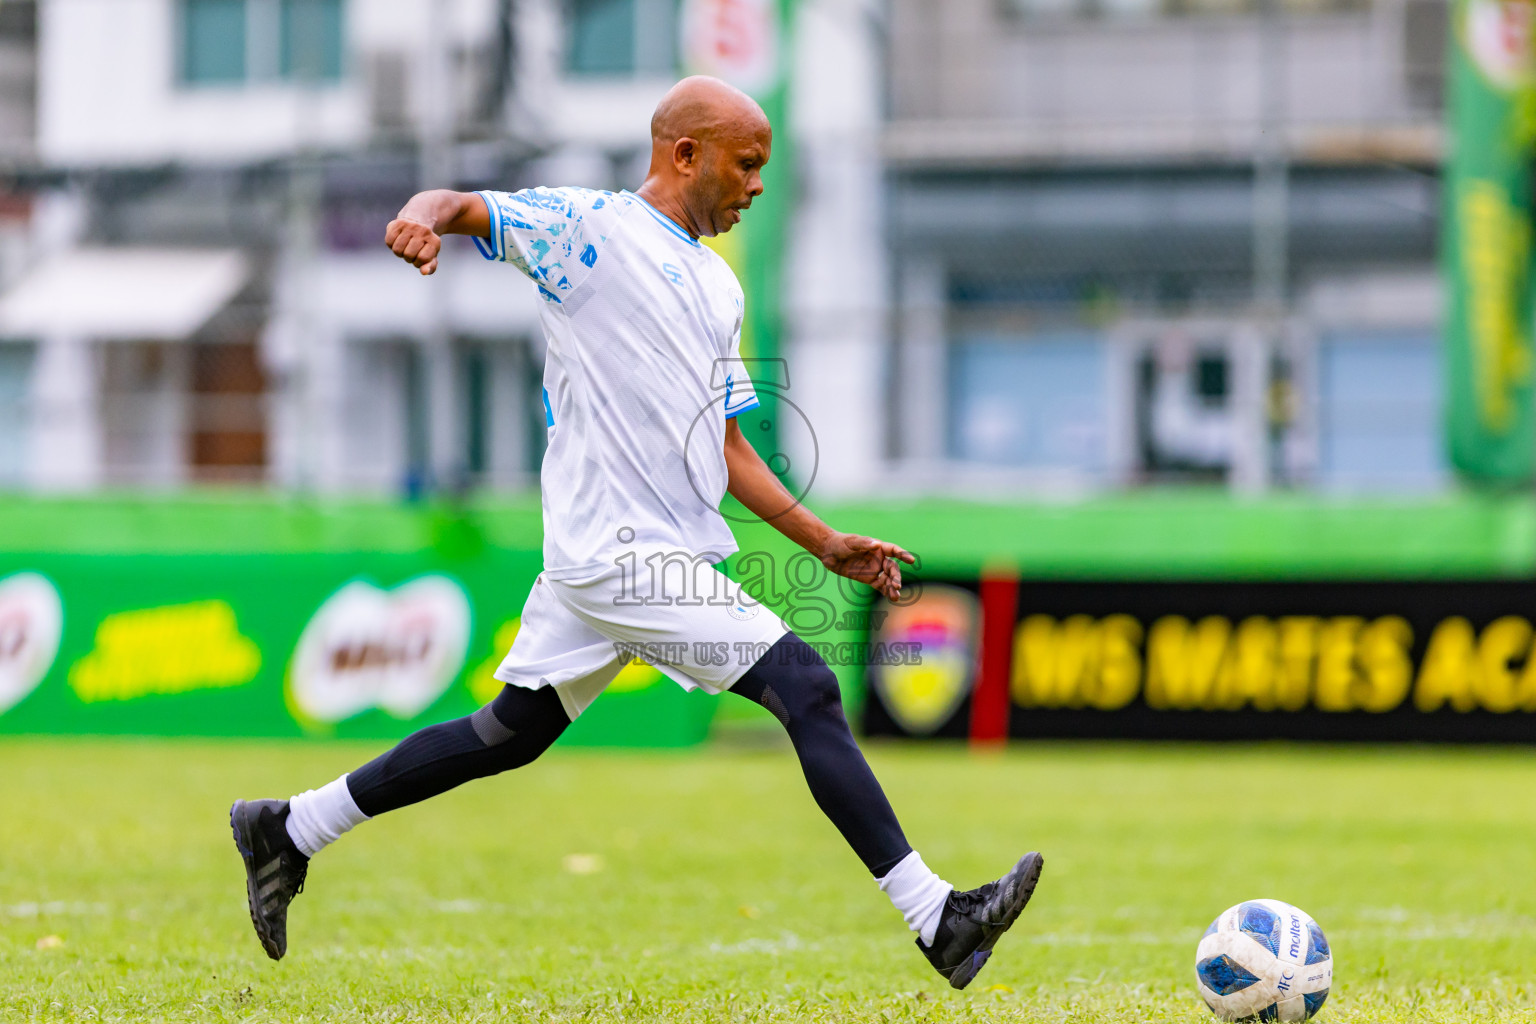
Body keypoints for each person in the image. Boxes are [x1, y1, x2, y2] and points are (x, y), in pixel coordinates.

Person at [230, 75, 1042, 990]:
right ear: (684, 153)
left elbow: (727, 443)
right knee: (807, 686)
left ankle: (288, 828)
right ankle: (936, 916)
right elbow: (457, 203)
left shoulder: (715, 284)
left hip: (642, 552)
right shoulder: (588, 231)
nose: (758, 185)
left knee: (512, 730)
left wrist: (823, 542)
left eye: (764, 167)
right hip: (616, 552)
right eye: (747, 163)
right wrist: (417, 219)